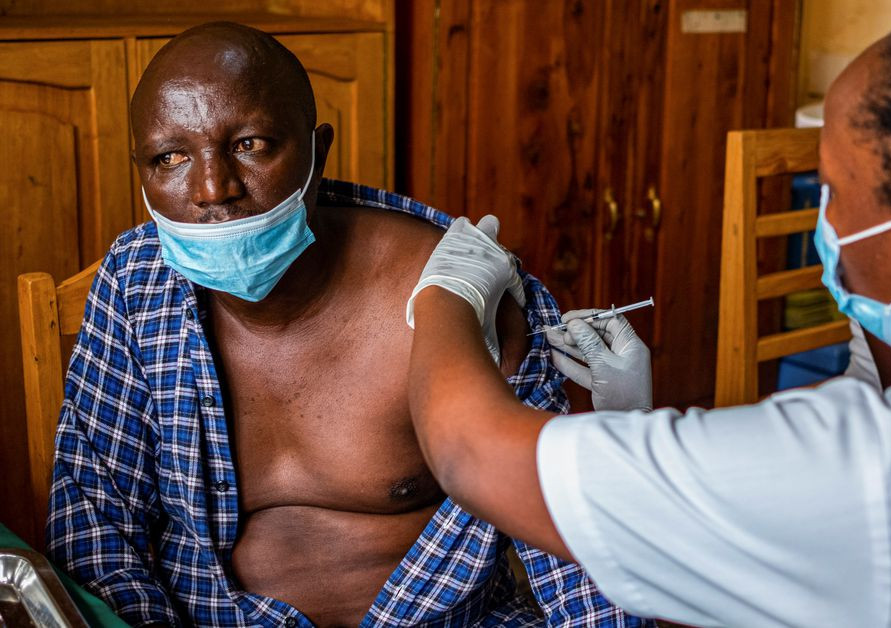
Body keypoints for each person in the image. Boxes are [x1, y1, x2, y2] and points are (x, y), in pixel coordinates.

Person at [404, 0, 891, 625]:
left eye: (833, 192)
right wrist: (634, 418)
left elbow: (474, 454)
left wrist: (446, 287)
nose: (825, 220)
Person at [45, 22, 649, 627]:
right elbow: (97, 526)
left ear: (318, 149)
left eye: (251, 145)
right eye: (168, 158)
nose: (212, 190)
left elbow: (573, 549)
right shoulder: (135, 285)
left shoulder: (459, 288)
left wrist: (620, 442)